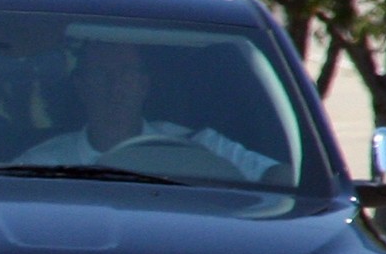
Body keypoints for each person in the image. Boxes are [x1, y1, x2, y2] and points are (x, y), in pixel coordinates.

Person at [17, 39, 285, 182]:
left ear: (144, 84)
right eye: (102, 74)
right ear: (81, 85)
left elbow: (277, 177)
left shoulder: (197, 145)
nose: (116, 87)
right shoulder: (43, 164)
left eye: (126, 74)